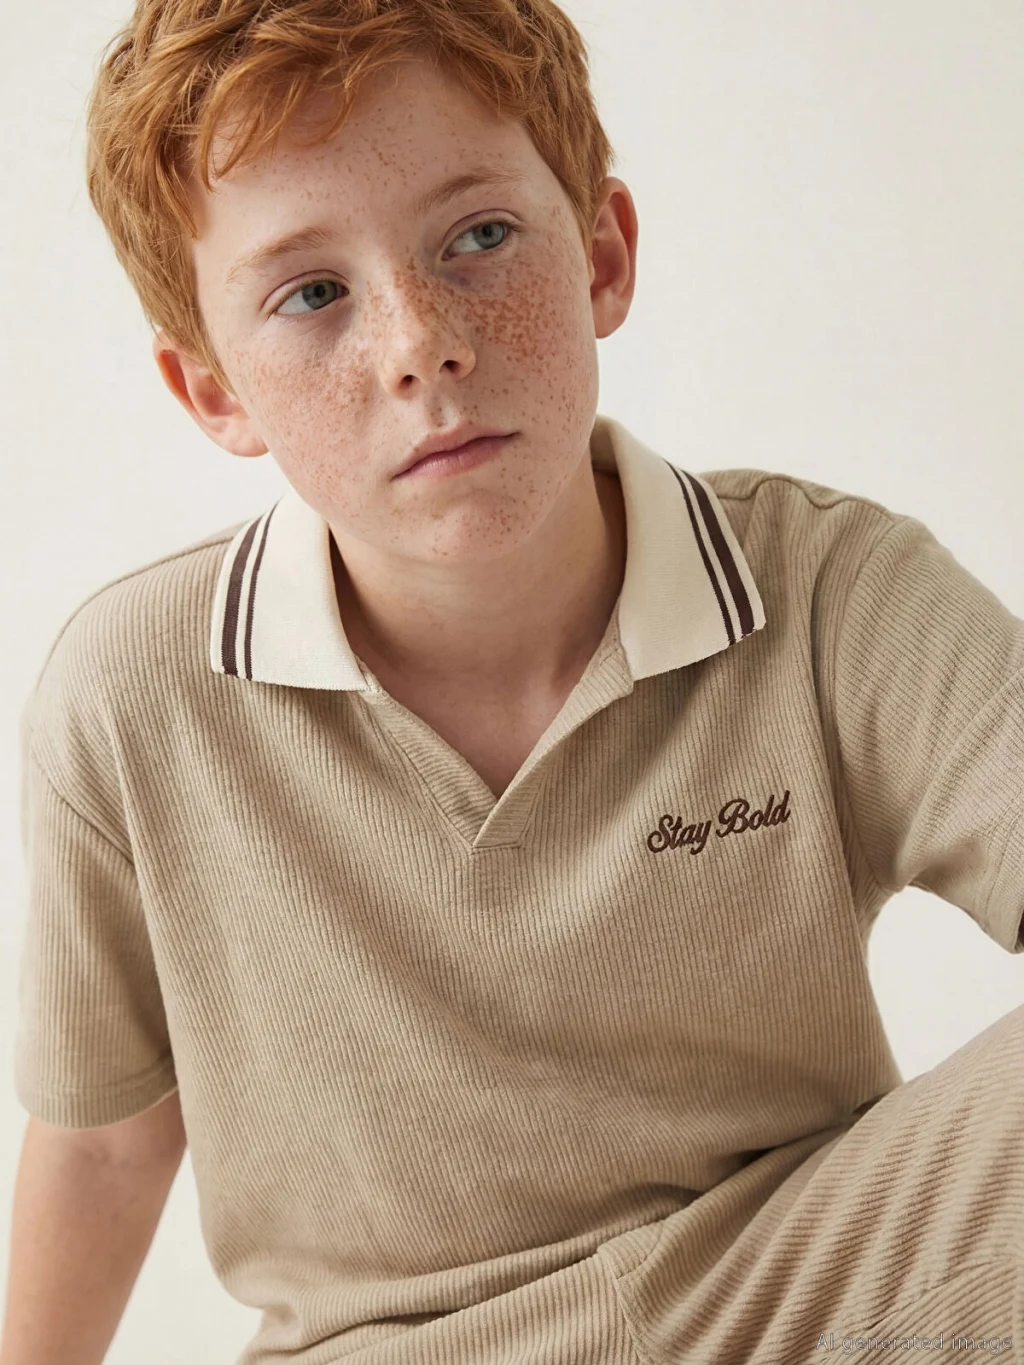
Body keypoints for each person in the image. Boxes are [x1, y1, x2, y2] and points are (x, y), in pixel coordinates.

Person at [2, 2, 1022, 1363]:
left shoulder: (828, 587)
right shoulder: (130, 699)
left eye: (478, 237)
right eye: (312, 294)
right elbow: (104, 1149)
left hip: (811, 1304)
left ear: (602, 255)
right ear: (214, 392)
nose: (420, 342)